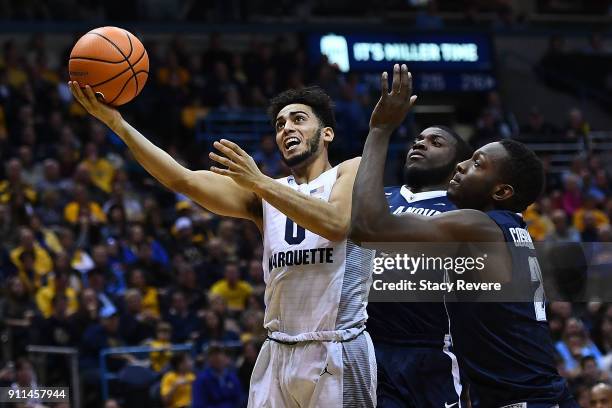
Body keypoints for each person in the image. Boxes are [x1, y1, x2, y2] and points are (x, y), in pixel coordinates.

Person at [69, 82, 375, 407]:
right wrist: (117, 124)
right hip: (278, 348)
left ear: (326, 134)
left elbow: (336, 224)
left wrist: (259, 181)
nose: (287, 128)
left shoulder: (350, 170)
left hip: (337, 348)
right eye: (280, 124)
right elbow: (180, 179)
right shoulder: (263, 195)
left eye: (298, 119)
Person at [350, 64, 577, 407]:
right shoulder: (507, 230)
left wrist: (380, 130)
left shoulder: (479, 227)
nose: (461, 166)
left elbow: (368, 227)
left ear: (501, 191)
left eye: (476, 164)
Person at [368, 123, 472, 407]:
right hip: (368, 345)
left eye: (436, 142)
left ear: (458, 166)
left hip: (431, 349)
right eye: (418, 139)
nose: (420, 144)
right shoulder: (377, 197)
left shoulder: (465, 209)